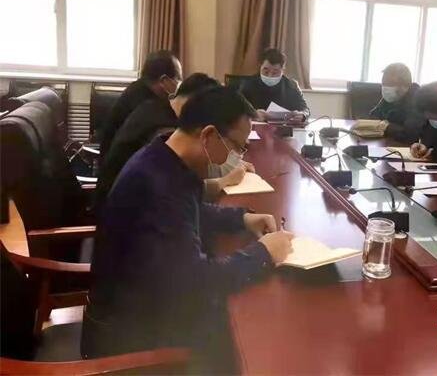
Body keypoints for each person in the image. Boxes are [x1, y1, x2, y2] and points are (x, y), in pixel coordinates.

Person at [82, 87, 294, 369]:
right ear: (208, 135)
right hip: (128, 337)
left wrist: (241, 218)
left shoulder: (164, 158)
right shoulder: (158, 185)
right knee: (249, 343)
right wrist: (263, 253)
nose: (236, 156)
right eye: (236, 147)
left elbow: (188, 212)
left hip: (141, 303)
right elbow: (195, 281)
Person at [95, 73, 251, 209]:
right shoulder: (163, 132)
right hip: (112, 211)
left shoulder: (156, 108)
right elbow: (180, 189)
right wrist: (225, 180)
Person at [99, 50, 183, 160]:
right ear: (164, 81)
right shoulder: (147, 105)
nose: (180, 84)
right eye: (178, 78)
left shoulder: (137, 90)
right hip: (120, 168)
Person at [239, 47, 310, 121]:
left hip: (283, 127)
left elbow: (305, 109)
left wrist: (303, 115)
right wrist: (252, 114)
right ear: (260, 66)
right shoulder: (248, 84)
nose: (269, 76)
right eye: (266, 71)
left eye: (275, 72)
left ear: (282, 70)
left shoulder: (291, 85)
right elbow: (236, 109)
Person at [369, 63, 424, 143]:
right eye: (384, 83)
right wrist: (385, 126)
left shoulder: (417, 100)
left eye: (390, 84)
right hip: (388, 142)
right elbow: (372, 116)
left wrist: (386, 126)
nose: (385, 88)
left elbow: (410, 134)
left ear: (405, 85)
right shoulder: (391, 97)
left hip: (406, 147)